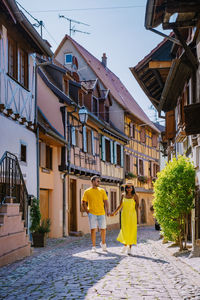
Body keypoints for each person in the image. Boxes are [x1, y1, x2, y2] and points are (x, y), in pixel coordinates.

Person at [81, 175, 110, 253]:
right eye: (97, 181)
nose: (99, 182)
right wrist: (87, 211)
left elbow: (106, 201)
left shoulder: (102, 190)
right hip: (92, 213)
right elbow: (83, 202)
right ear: (93, 181)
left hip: (101, 213)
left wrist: (107, 210)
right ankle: (93, 246)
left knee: (103, 229)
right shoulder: (87, 191)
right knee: (93, 230)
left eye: (99, 181)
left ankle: (103, 243)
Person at [110, 180, 139, 255]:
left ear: (132, 188)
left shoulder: (135, 196)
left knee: (131, 231)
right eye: (127, 187)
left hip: (132, 215)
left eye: (130, 187)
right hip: (124, 215)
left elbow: (137, 207)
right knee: (124, 230)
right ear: (125, 188)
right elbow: (120, 206)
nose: (129, 189)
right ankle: (125, 245)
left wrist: (137, 219)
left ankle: (129, 248)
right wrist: (114, 212)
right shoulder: (123, 195)